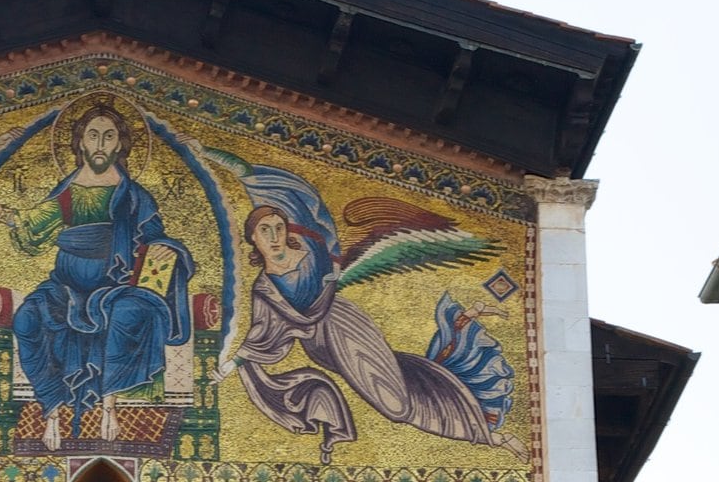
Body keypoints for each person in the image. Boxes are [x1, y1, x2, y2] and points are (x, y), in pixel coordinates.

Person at [219, 159, 516, 462]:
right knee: (397, 388)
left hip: (345, 326)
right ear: (252, 238)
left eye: (278, 228)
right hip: (320, 346)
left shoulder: (310, 255)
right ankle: (478, 424)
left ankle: (485, 434)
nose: (273, 236)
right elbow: (264, 333)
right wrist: (235, 363)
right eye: (264, 230)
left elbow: (308, 214)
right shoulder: (264, 288)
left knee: (394, 406)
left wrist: (233, 166)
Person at [0, 98, 192, 448]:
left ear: (120, 143)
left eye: (108, 136)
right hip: (66, 286)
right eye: (93, 136)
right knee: (27, 319)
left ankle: (109, 406)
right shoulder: (68, 191)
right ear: (81, 143)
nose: (101, 144)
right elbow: (34, 223)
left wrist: (167, 249)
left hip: (117, 286)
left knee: (128, 314)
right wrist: (3, 213)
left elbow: (153, 236)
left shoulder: (134, 196)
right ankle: (52, 410)